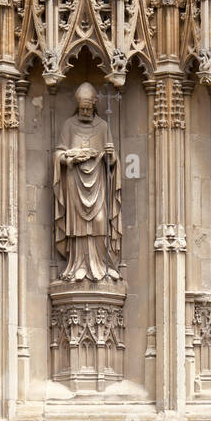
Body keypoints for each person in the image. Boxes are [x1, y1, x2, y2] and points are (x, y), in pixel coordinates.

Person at [54, 82, 121, 283]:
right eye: (82, 108)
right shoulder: (68, 125)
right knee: (77, 225)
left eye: (88, 108)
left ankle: (101, 265)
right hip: (75, 182)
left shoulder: (103, 126)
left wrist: (111, 156)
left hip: (98, 183)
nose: (85, 111)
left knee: (100, 221)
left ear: (93, 105)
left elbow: (111, 160)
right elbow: (58, 153)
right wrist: (68, 157)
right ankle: (77, 265)